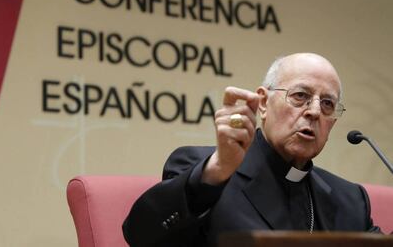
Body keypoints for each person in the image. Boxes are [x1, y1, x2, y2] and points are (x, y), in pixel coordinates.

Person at [123, 53, 380, 246]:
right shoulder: (205, 171)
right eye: (300, 95)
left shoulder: (349, 200)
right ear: (264, 103)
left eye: (327, 103)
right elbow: (140, 235)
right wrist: (218, 169)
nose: (314, 111)